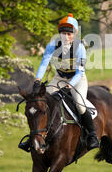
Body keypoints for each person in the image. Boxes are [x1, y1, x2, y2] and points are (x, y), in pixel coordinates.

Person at [18, 13, 100, 152]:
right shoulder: (52, 45)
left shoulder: (79, 48)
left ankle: (92, 136)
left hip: (77, 79)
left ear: (74, 34)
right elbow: (44, 63)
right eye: (63, 33)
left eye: (69, 34)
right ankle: (35, 136)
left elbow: (79, 72)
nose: (66, 37)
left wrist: (69, 86)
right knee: (41, 101)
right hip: (60, 77)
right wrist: (37, 80)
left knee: (80, 106)